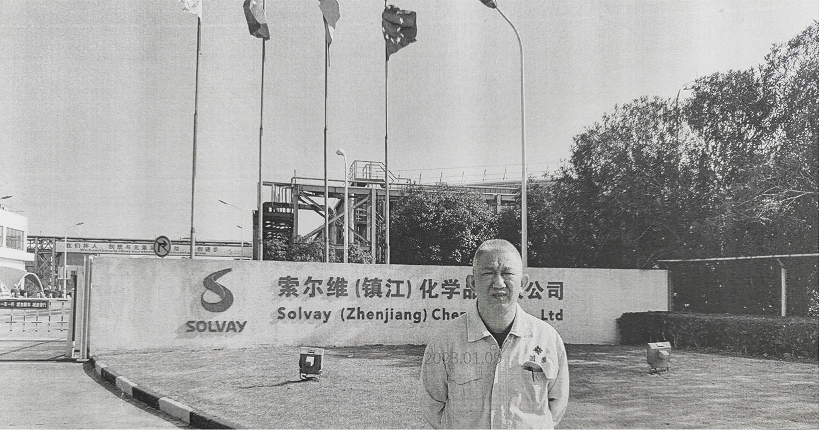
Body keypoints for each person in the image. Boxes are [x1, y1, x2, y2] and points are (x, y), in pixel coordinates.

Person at [420, 239, 569, 429]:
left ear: (523, 283)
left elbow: (556, 404)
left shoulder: (547, 338)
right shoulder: (445, 342)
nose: (499, 283)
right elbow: (431, 406)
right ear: (472, 283)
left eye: (507, 273)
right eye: (488, 273)